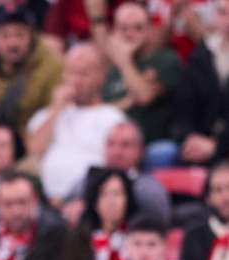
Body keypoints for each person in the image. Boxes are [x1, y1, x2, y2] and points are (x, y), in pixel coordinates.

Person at [26, 44, 125, 202]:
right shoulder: (46, 115)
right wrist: (56, 109)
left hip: (90, 198)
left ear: (101, 77)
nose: (76, 81)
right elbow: (34, 150)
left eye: (84, 74)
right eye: (71, 73)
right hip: (45, 199)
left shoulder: (112, 118)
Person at [98, 3, 183, 151]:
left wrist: (124, 61)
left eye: (138, 28)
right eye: (123, 28)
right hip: (109, 145)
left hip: (150, 146)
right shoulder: (109, 68)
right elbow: (98, 110)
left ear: (149, 30)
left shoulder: (166, 60)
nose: (130, 34)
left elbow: (144, 97)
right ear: (113, 31)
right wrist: (128, 101)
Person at [0, 2, 63, 131]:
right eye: (4, 35)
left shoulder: (52, 65)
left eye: (20, 34)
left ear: (32, 35)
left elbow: (53, 113)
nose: (13, 43)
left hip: (33, 135)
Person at [65, 122, 170, 224]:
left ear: (140, 150)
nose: (116, 152)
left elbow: (161, 223)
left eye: (125, 145)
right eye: (111, 144)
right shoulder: (85, 183)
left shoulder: (148, 189)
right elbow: (63, 208)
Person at [172, 0, 229, 167]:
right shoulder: (202, 54)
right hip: (199, 145)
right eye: (223, 13)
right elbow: (184, 104)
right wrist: (189, 137)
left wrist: (218, 145)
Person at [78, 168, 138, 260]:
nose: (111, 201)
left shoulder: (137, 237)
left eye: (117, 194)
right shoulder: (81, 239)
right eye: (104, 194)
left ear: (128, 199)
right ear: (94, 200)